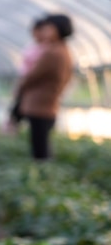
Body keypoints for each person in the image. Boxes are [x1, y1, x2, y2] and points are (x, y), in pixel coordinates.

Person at [15, 14, 74, 160]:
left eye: (49, 28)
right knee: (42, 144)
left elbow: (32, 76)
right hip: (48, 104)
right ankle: (44, 175)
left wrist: (21, 86)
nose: (45, 32)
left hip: (40, 105)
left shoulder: (53, 52)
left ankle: (42, 177)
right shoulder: (63, 50)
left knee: (40, 149)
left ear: (58, 30)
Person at [5, 17, 48, 132]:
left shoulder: (47, 49)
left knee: (29, 117)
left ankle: (10, 131)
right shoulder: (33, 47)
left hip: (34, 87)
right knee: (17, 112)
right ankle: (10, 131)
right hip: (26, 84)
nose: (34, 34)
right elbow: (24, 70)